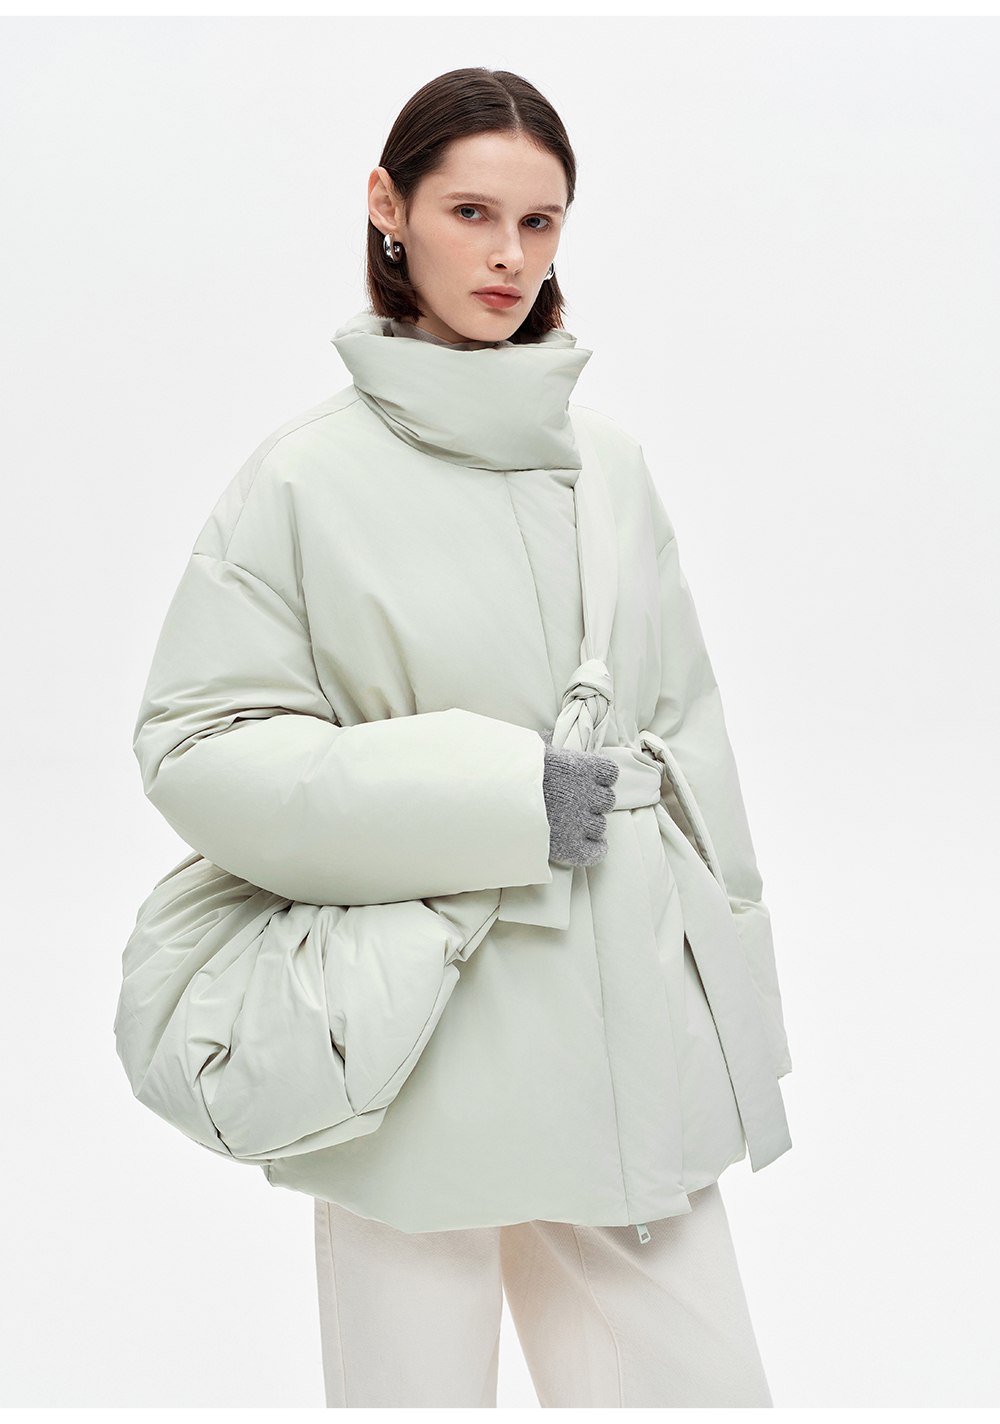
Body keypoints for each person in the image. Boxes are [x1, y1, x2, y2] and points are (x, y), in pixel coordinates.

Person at [131, 66, 793, 1408]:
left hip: (621, 1041)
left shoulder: (610, 468)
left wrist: (732, 1007)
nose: (508, 257)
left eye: (539, 222)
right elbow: (199, 745)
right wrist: (505, 799)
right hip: (414, 1053)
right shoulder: (305, 478)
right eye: (472, 212)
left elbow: (689, 742)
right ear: (390, 207)